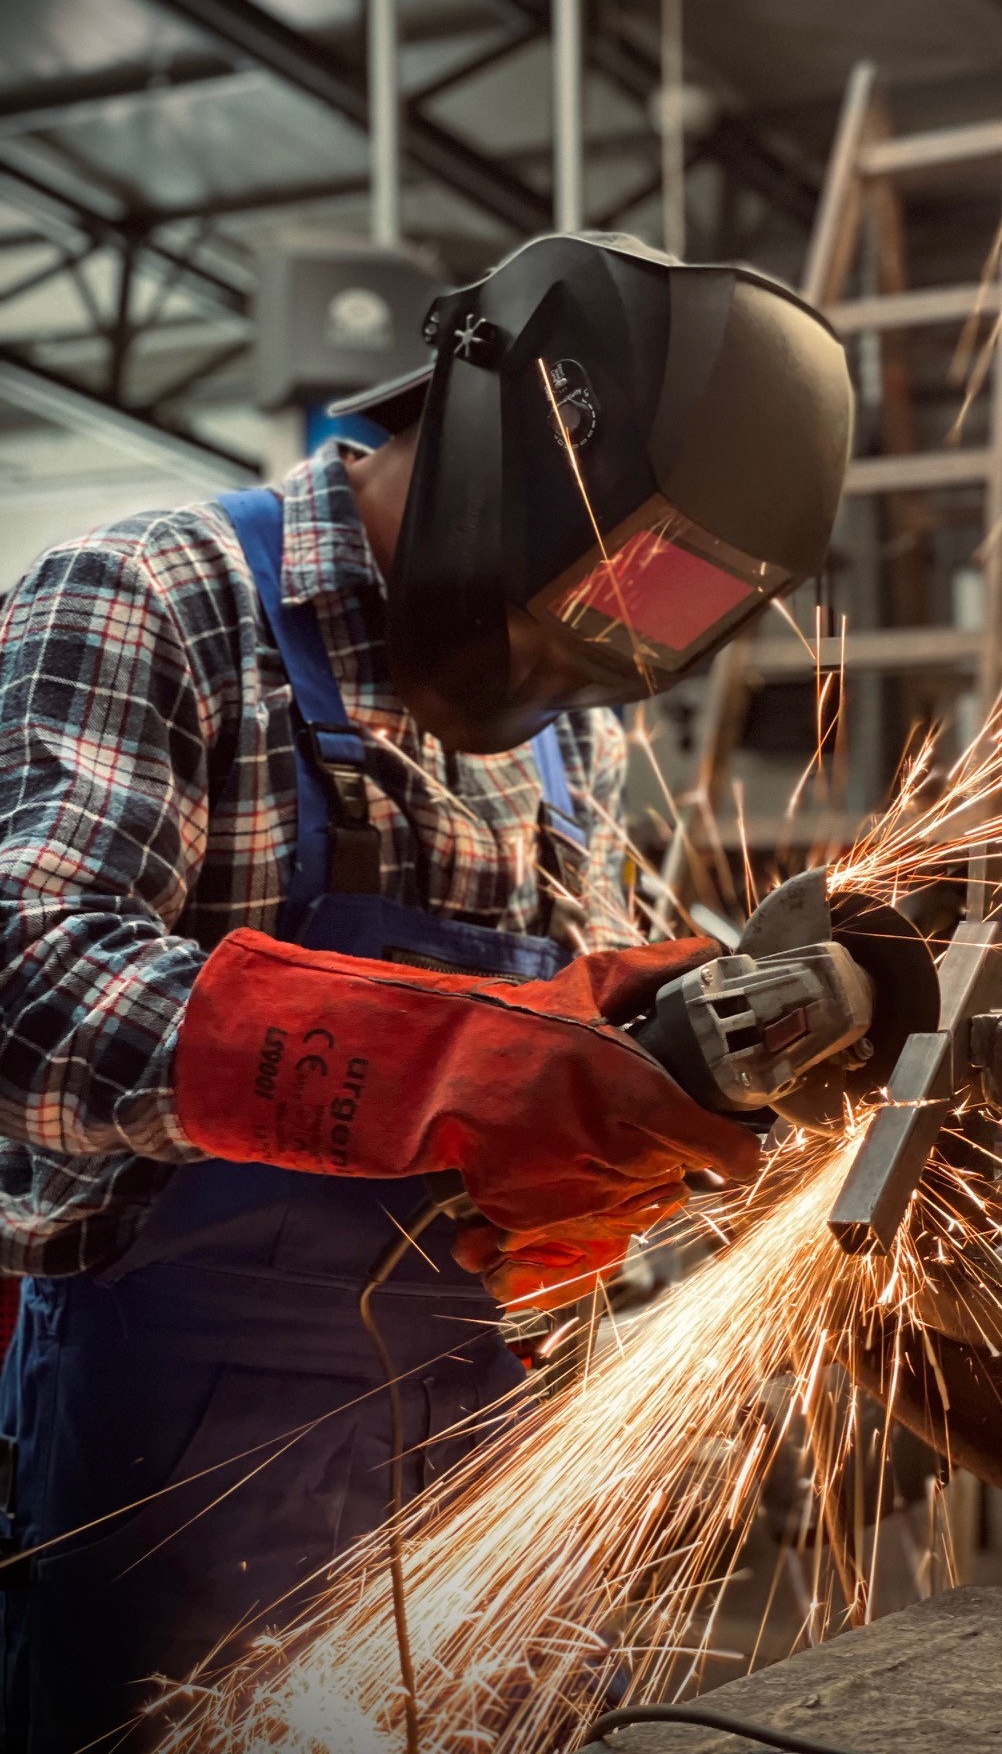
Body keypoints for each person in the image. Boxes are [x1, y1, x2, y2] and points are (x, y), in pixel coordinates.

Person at [0, 232, 854, 1751]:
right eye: (608, 579)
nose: (590, 646)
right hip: (189, 1458)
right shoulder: (153, 598)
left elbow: (572, 1033)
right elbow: (25, 985)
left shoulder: (564, 740)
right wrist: (442, 1068)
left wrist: (685, 1058)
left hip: (492, 1432)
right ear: (515, 440)